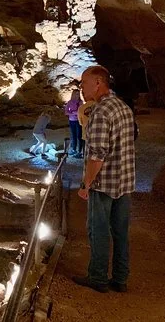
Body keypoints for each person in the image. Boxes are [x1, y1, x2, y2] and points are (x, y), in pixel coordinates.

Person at [73, 65, 136, 294]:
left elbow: (97, 156)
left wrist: (86, 184)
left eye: (84, 83)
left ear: (98, 83)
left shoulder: (100, 112)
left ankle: (98, 277)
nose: (81, 87)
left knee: (98, 230)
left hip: (104, 183)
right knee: (120, 231)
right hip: (124, 181)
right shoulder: (123, 107)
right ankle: (120, 278)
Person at [64, 89, 84, 158]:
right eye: (76, 94)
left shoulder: (80, 102)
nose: (77, 95)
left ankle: (80, 151)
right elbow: (66, 112)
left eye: (78, 94)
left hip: (78, 121)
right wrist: (73, 113)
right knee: (73, 136)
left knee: (79, 136)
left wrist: (74, 112)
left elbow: (81, 111)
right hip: (72, 121)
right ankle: (74, 149)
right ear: (73, 94)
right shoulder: (70, 102)